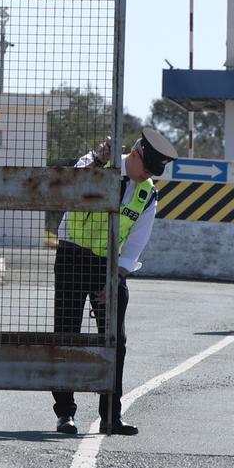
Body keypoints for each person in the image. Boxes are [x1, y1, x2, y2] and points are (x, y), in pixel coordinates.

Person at [52, 125, 174, 436]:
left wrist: (115, 278)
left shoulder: (147, 193)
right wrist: (95, 157)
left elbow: (136, 243)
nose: (146, 175)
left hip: (109, 266)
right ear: (133, 154)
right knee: (67, 334)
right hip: (72, 256)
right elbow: (70, 181)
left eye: (152, 172)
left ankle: (111, 415)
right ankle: (65, 413)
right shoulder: (99, 162)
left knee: (115, 341)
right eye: (145, 167)